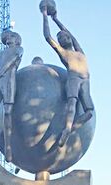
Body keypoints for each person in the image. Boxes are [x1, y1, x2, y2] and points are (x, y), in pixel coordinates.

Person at [42, 3, 94, 147]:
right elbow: (47, 37)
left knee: (89, 112)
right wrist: (44, 15)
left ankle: (69, 129)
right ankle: (67, 127)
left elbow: (68, 32)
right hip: (73, 79)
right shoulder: (64, 53)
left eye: (65, 36)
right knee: (72, 103)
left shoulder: (79, 51)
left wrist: (56, 20)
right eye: (60, 38)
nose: (63, 37)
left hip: (85, 80)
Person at [0, 30, 23, 162]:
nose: (8, 39)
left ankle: (8, 146)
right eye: (6, 38)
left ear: (16, 39)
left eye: (11, 36)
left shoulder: (19, 49)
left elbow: (13, 61)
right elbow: (0, 66)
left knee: (8, 113)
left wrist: (1, 73)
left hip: (9, 80)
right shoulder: (2, 53)